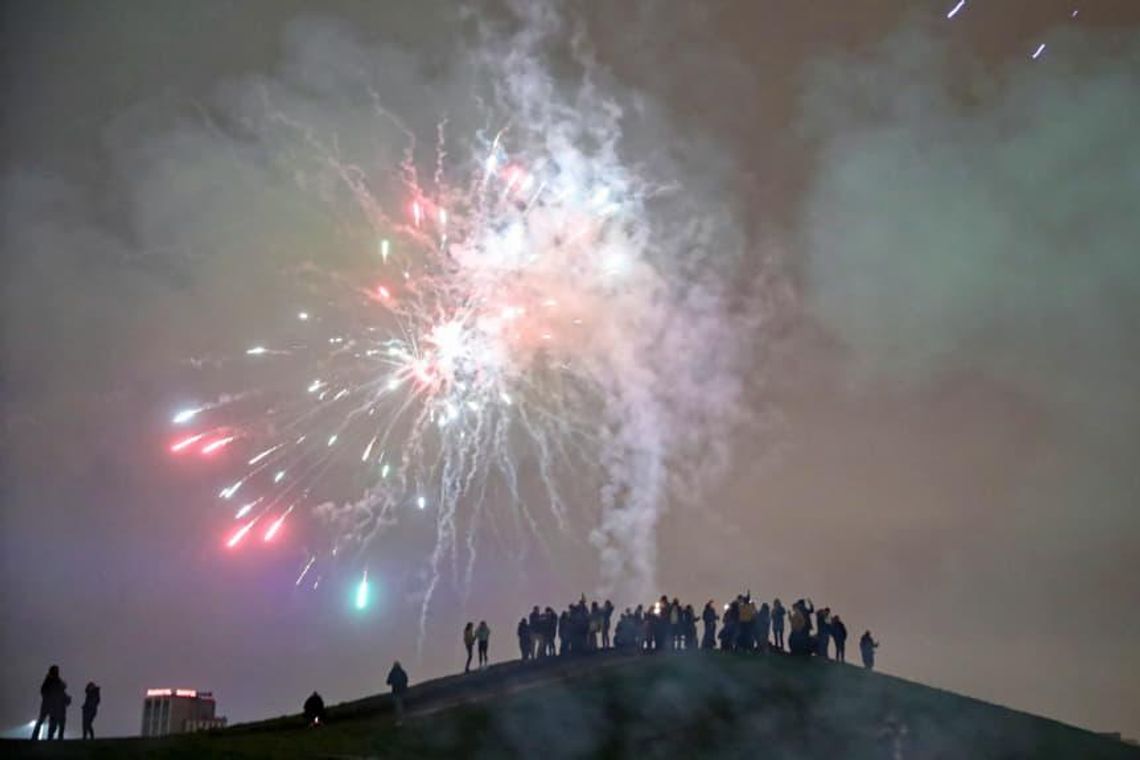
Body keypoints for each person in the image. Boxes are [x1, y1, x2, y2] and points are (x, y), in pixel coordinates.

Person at [33, 665, 67, 740]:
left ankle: (48, 737)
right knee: (42, 721)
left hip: (53, 705)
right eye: (56, 670)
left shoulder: (56, 680)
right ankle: (36, 737)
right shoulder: (49, 680)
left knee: (51, 722)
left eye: (57, 670)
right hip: (48, 705)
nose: (57, 672)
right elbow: (43, 691)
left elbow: (60, 691)